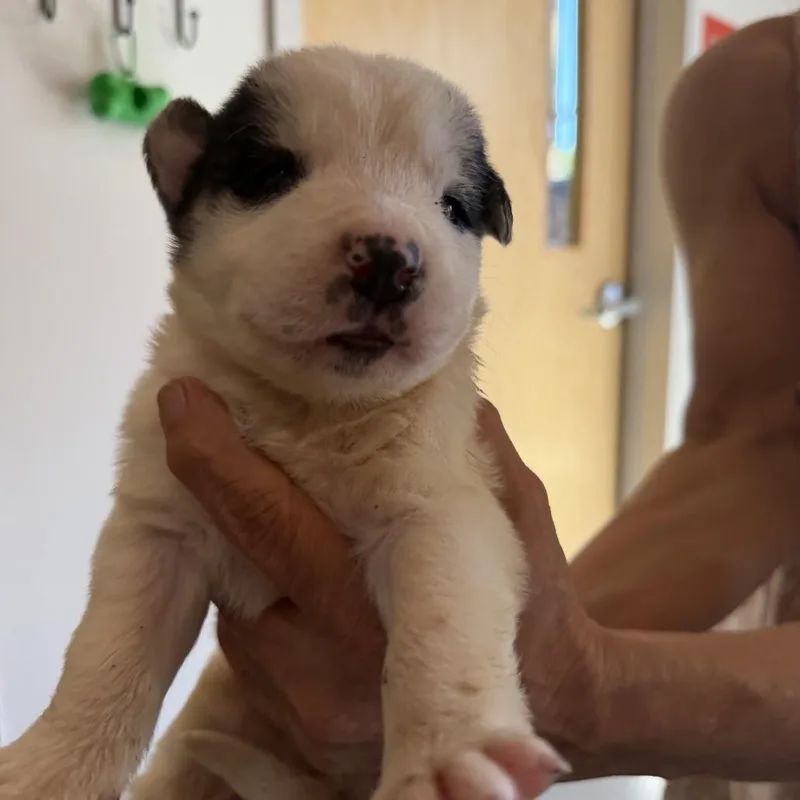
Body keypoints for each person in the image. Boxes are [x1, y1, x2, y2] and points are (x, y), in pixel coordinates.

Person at [154, 12, 800, 798]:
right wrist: (456, 657)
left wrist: (591, 697)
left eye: (453, 206)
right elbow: (755, 442)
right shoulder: (765, 83)